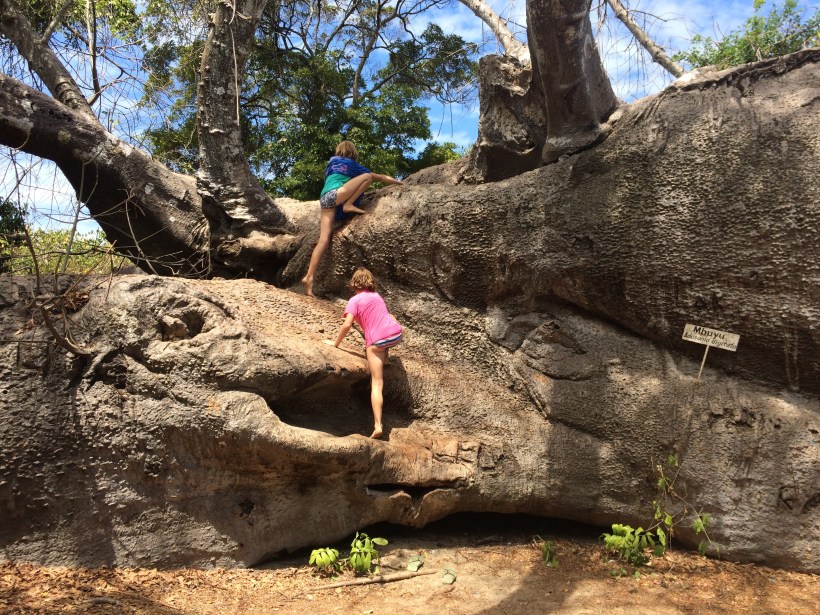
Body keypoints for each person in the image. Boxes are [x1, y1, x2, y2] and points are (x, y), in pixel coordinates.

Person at [301, 141, 403, 297]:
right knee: (367, 176)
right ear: (352, 152)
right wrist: (399, 182)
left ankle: (309, 277)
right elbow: (379, 177)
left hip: (324, 198)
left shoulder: (332, 163)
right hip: (337, 195)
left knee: (323, 240)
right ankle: (348, 204)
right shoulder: (352, 164)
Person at [326, 267, 403, 439]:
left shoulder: (354, 300)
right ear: (370, 282)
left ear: (354, 283)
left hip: (377, 342)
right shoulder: (377, 296)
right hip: (396, 335)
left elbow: (347, 325)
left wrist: (335, 344)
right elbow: (384, 316)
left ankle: (378, 425)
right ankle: (387, 358)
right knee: (388, 317)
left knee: (377, 383)